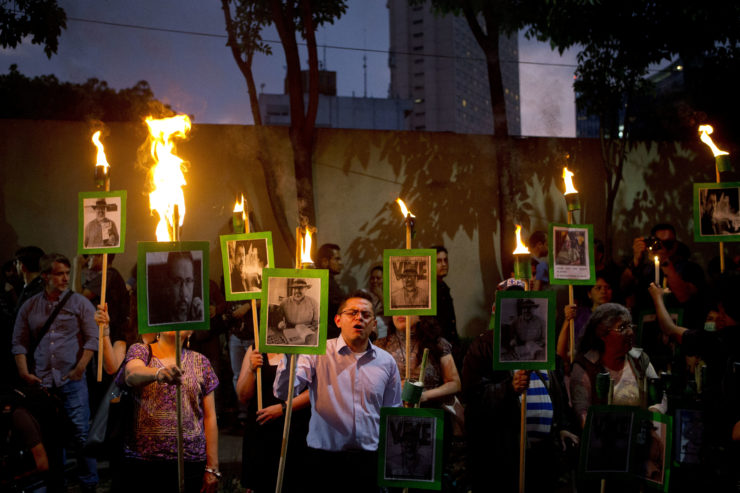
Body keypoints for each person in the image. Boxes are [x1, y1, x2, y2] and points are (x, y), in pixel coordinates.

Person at [273, 291, 402, 492]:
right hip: (324, 460)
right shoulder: (318, 353)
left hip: (368, 460)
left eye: (366, 314)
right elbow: (284, 392)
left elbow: (393, 413)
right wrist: (290, 356)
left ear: (374, 324)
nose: (359, 318)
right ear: (338, 320)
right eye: (352, 313)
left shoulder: (386, 362)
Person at [463, 284, 578, 492]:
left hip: (543, 458)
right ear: (495, 311)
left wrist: (562, 426)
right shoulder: (484, 348)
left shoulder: (542, 347)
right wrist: (509, 389)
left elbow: (557, 390)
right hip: (504, 459)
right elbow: (474, 398)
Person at [11, 253, 99, 491]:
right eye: (59, 274)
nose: (64, 278)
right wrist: (24, 372)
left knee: (81, 435)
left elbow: (93, 338)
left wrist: (80, 368)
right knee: (52, 438)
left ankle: (89, 483)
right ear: (45, 276)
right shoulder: (30, 306)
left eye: (67, 274)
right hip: (43, 382)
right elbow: (19, 342)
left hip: (71, 380)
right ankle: (57, 484)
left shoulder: (78, 302)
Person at [648, 275, 740, 490]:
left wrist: (657, 297)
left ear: (724, 313)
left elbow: (669, 328)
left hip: (723, 441)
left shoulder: (717, 341)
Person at [117, 330, 220, 493]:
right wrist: (158, 373)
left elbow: (210, 416)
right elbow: (131, 374)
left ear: (191, 330)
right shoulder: (141, 351)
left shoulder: (201, 361)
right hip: (143, 463)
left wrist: (212, 468)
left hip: (191, 462)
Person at [570, 303, 658, 428]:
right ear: (602, 334)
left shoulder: (640, 359)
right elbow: (582, 412)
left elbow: (660, 396)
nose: (630, 332)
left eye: (630, 326)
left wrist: (654, 414)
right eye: (622, 328)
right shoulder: (585, 365)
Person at [236, 346, 310, 492]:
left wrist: (283, 408)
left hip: (295, 430)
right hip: (262, 432)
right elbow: (243, 396)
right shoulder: (256, 349)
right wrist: (251, 370)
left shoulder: (306, 346)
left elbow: (315, 390)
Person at [621, 223, 707, 331]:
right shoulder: (646, 270)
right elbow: (624, 288)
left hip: (680, 328)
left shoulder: (691, 268)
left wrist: (665, 262)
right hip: (649, 329)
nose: (664, 247)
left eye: (668, 243)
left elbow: (684, 296)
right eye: (658, 243)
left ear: (676, 244)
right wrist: (635, 262)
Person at [557, 276, 614, 363]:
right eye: (598, 288)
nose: (603, 291)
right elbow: (561, 352)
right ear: (589, 294)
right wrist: (568, 318)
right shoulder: (578, 313)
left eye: (608, 288)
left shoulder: (618, 316)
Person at [150, 251, 204, 325]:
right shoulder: (154, 321)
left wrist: (199, 324)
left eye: (188, 281)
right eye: (177, 281)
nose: (184, 293)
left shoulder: (198, 314)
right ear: (167, 285)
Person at [273, 279, 319, 345]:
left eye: (300, 288)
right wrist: (279, 323)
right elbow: (277, 317)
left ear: (306, 289)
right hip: (290, 332)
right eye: (294, 288)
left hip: (307, 334)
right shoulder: (284, 302)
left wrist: (314, 327)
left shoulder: (313, 302)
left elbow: (317, 321)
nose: (297, 291)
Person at [431, 245, 459, 347]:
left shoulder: (443, 287)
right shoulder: (430, 289)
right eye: (438, 261)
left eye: (445, 260)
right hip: (439, 346)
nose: (443, 264)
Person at [315, 243, 345, 338]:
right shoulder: (325, 282)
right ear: (325, 261)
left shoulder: (329, 280)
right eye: (337, 259)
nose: (340, 263)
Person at [13, 246, 45, 315]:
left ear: (22, 266)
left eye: (17, 263)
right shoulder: (41, 286)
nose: (15, 266)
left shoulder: (34, 293)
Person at [361, 264, 389, 339]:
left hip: (385, 333)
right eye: (372, 278)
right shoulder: (364, 293)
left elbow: (391, 313)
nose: (375, 281)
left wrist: (380, 295)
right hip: (367, 333)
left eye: (378, 278)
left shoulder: (389, 295)